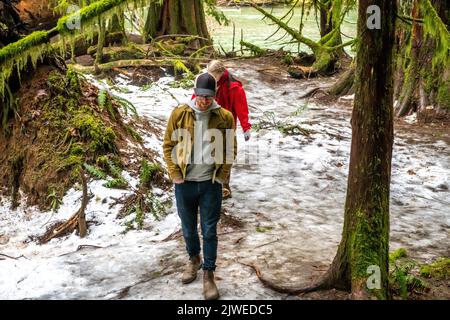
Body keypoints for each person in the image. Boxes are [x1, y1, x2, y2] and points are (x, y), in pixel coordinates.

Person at [163, 72, 237, 300]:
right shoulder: (180, 113)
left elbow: (229, 149)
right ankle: (193, 258)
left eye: (209, 96)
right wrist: (175, 173)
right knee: (188, 228)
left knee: (209, 230)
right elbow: (168, 145)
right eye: (201, 96)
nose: (204, 101)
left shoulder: (224, 117)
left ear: (214, 95)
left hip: (209, 184)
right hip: (184, 184)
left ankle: (209, 274)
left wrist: (221, 177)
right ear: (195, 93)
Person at [206, 60, 251, 199]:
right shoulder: (208, 82)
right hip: (210, 123)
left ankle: (224, 186)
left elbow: (241, 108)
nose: (210, 78)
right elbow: (197, 97)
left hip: (228, 125)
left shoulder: (234, 88)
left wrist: (246, 127)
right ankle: (210, 184)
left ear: (220, 73)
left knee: (227, 156)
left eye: (213, 75)